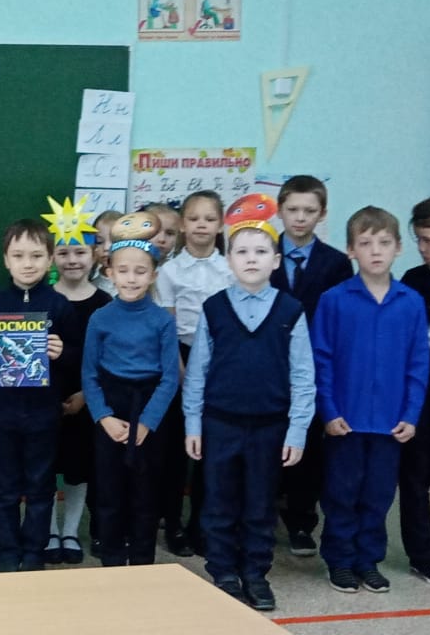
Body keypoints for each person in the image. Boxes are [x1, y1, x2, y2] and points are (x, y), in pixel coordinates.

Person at [182, 216, 315, 611]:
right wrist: (193, 423)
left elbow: (303, 375)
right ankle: (223, 571)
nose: (251, 258)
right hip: (220, 423)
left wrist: (297, 430)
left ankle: (256, 573)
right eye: (242, 251)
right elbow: (198, 372)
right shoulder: (214, 308)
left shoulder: (291, 310)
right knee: (219, 504)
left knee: (260, 506)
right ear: (229, 260)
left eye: (260, 251)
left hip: (269, 427)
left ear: (276, 260)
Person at [314, 206, 428, 594]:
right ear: (350, 250)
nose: (375, 251)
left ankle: (368, 560)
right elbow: (322, 359)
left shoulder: (411, 302)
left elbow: (418, 363)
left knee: (378, 496)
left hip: (391, 422)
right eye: (365, 243)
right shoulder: (334, 300)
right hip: (345, 420)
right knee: (341, 493)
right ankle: (340, 560)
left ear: (398, 248)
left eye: (384, 242)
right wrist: (329, 411)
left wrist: (411, 414)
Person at [0, 217, 73, 572]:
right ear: (6, 260)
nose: (27, 263)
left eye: (36, 255)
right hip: (2, 413)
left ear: (50, 259)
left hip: (44, 413)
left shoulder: (60, 305)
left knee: (41, 486)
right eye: (18, 256)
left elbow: (77, 360)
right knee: (3, 487)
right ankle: (7, 553)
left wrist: (62, 353)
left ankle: (33, 553)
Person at [82, 212, 179, 567]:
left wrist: (147, 423)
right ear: (109, 272)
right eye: (123, 270)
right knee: (109, 493)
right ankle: (111, 562)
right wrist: (103, 417)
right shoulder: (100, 318)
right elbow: (89, 375)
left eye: (140, 271)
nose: (131, 278)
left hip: (149, 410)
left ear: (153, 275)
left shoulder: (162, 320)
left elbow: (170, 377)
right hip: (111, 407)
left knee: (145, 494)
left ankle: (141, 565)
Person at [269, 175, 354, 558]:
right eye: (293, 209)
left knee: (309, 446)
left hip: (315, 366)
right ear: (280, 210)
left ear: (322, 213)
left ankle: (302, 521)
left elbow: (338, 320)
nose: (300, 218)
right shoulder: (261, 251)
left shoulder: (336, 263)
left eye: (309, 210)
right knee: (268, 440)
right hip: (267, 364)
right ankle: (264, 515)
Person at [156, 190, 231, 557]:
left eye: (210, 219)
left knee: (210, 451)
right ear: (183, 225)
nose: (202, 225)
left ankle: (202, 525)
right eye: (194, 218)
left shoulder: (231, 269)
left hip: (221, 359)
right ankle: (172, 524)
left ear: (221, 225)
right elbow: (166, 328)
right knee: (175, 450)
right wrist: (182, 371)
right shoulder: (168, 271)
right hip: (180, 358)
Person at [47, 207, 112, 564]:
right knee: (44, 468)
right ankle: (47, 531)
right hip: (45, 400)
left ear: (95, 254)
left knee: (78, 469)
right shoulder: (43, 299)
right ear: (52, 256)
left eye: (80, 252)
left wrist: (86, 396)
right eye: (63, 252)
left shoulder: (104, 303)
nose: (72, 260)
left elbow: (106, 359)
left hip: (87, 399)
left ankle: (70, 530)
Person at [400, 196, 430, 583]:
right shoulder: (412, 282)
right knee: (414, 476)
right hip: (421, 392)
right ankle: (422, 555)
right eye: (420, 239)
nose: (424, 249)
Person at [90, 210, 122, 297]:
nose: (106, 248)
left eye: (114, 241)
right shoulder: (90, 289)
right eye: (99, 242)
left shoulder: (135, 284)